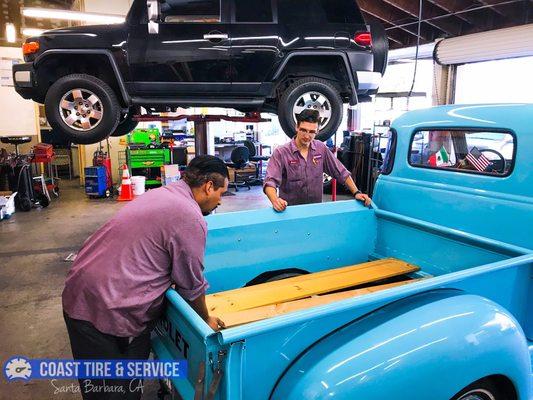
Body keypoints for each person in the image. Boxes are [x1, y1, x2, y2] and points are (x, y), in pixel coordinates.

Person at [62, 155, 229, 399]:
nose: (220, 202)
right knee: (115, 393)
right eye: (221, 194)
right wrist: (206, 319)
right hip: (106, 308)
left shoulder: (165, 193)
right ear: (208, 187)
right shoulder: (189, 216)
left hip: (81, 291)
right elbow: (191, 285)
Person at [263, 109, 371, 212]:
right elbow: (270, 182)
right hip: (290, 212)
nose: (306, 136)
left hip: (315, 211)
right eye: (303, 130)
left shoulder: (321, 149)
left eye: (311, 132)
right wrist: (275, 200)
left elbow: (341, 172)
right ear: (297, 127)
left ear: (317, 131)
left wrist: (356, 192)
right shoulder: (281, 153)